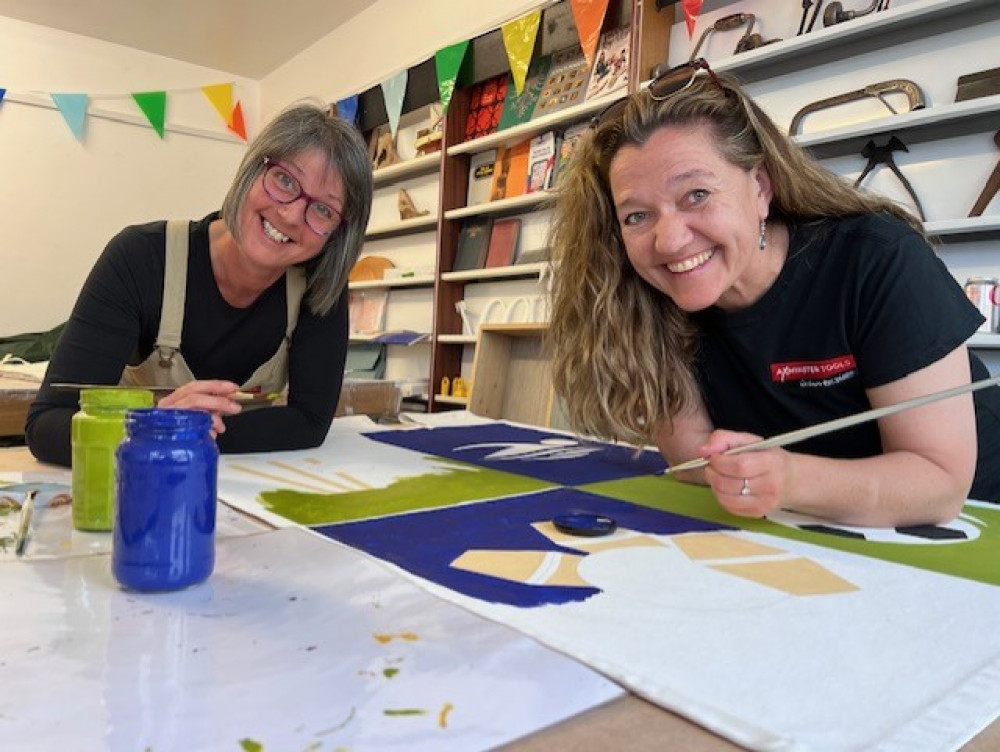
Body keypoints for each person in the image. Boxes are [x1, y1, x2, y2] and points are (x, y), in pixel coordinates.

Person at [548, 59, 1000, 527]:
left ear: (760, 187)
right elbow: (693, 461)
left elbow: (939, 486)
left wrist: (787, 477)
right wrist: (766, 477)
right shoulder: (649, 300)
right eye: (637, 216)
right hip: (816, 522)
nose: (669, 241)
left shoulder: (877, 258)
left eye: (696, 194)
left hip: (974, 525)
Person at [27, 101, 373, 466]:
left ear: (338, 235)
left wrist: (187, 430)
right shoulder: (140, 259)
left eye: (323, 210)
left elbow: (310, 422)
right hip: (138, 486)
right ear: (254, 169)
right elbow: (47, 423)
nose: (290, 215)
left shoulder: (320, 286)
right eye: (284, 180)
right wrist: (156, 427)